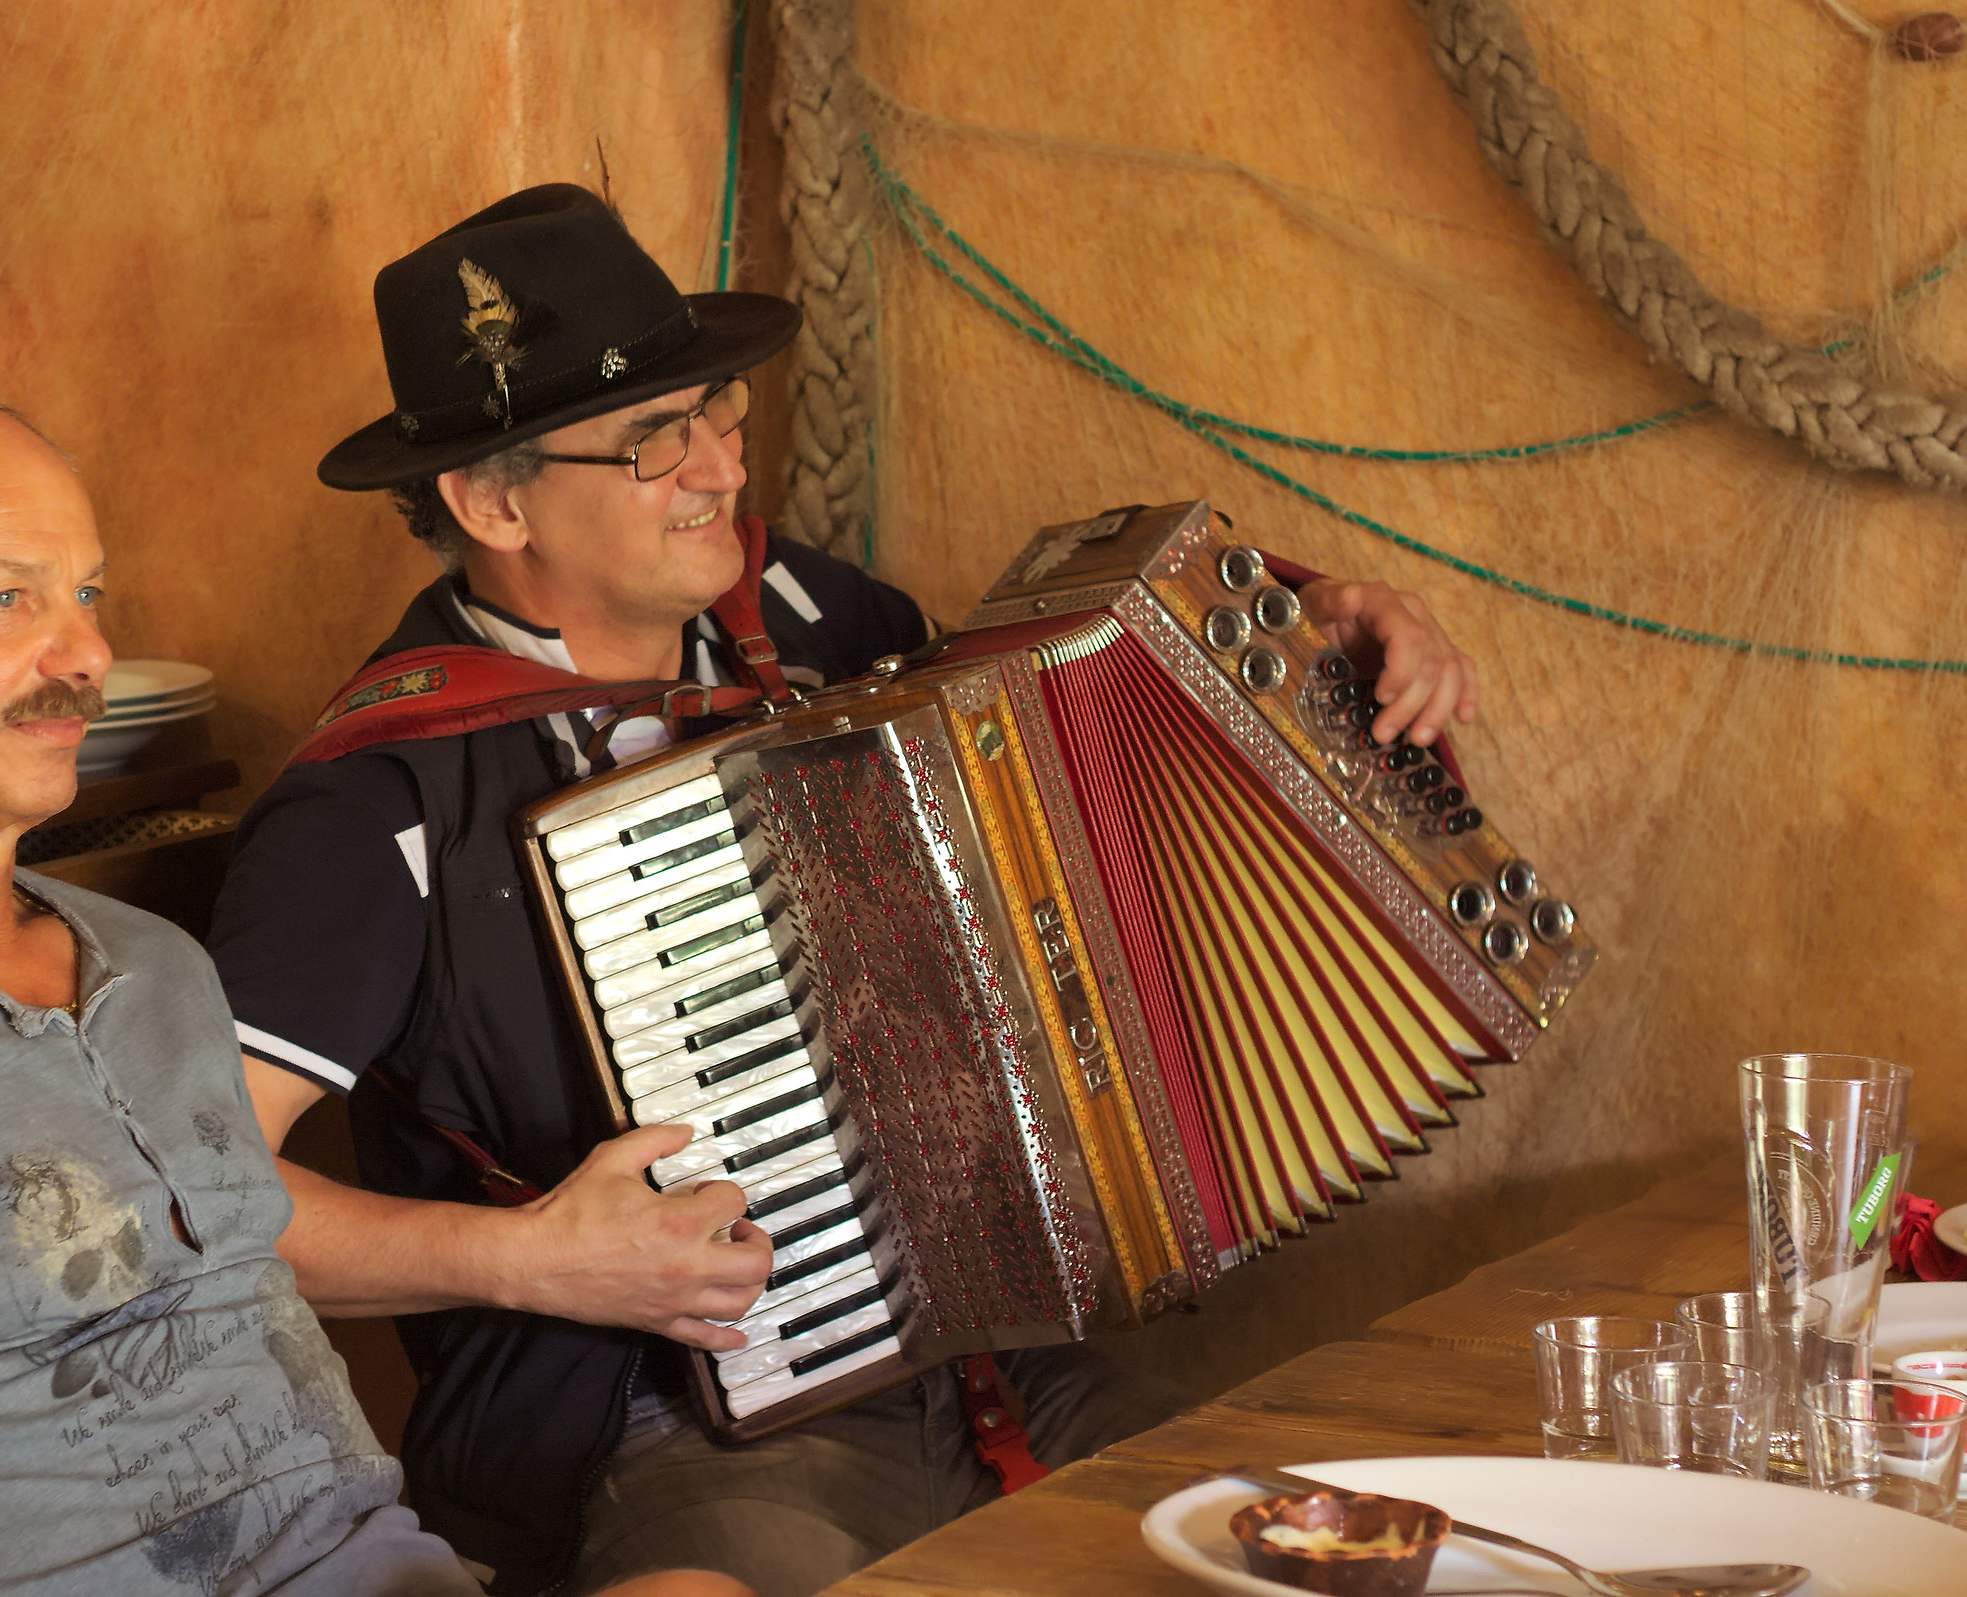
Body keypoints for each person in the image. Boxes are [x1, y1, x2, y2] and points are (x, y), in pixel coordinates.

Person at [205, 185, 1482, 1597]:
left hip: (996, 1364)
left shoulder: (801, 618)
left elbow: (1065, 729)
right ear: (493, 500)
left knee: (1338, 1568)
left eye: (719, 413)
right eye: (652, 440)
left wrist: (1317, 636)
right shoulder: (374, 807)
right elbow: (195, 1201)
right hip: (658, 1427)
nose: (718, 471)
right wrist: (535, 1259)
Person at [0, 390, 740, 1597]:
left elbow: (247, 1232)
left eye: (86, 595)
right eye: (8, 597)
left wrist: (533, 1253)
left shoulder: (152, 964)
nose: (84, 656)